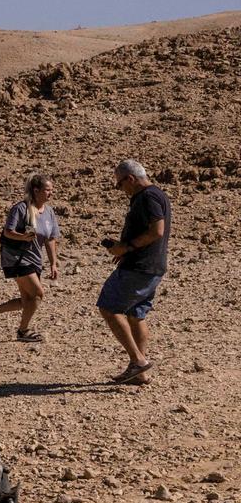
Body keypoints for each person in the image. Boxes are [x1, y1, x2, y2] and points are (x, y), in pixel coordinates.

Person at [98, 159, 171, 385]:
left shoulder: (147, 197)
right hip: (150, 265)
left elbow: (157, 231)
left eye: (120, 184)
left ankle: (138, 361)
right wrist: (124, 249)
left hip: (139, 266)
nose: (121, 190)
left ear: (130, 178)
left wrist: (128, 247)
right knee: (136, 314)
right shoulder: (155, 195)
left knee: (109, 307)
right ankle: (140, 373)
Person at [0, 174, 61, 342]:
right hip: (17, 259)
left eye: (51, 190)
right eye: (47, 190)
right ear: (36, 190)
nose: (51, 193)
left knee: (27, 300)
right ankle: (23, 331)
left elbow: (50, 239)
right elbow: (8, 231)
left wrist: (53, 263)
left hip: (35, 260)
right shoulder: (20, 208)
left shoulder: (48, 212)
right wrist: (23, 237)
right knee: (38, 293)